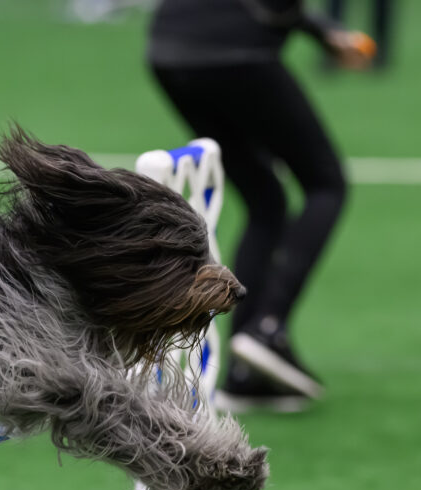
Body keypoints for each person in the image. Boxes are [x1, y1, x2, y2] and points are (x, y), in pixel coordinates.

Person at [147, 0, 373, 412]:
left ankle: (245, 372)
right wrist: (318, 30)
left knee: (265, 198)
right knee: (325, 183)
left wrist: (320, 31)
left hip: (169, 51)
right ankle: (267, 329)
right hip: (235, 49)